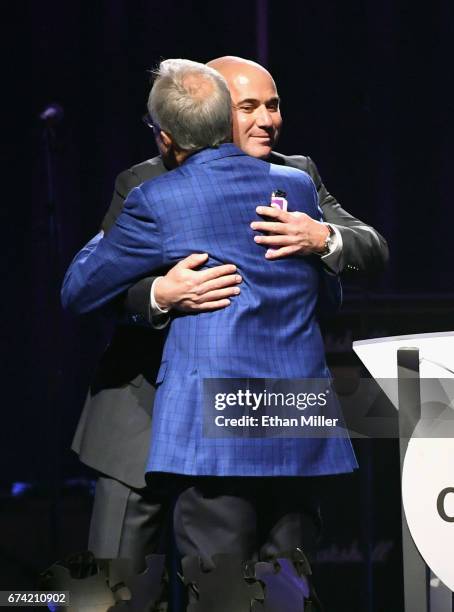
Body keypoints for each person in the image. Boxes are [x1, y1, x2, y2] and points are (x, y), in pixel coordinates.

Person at [71, 56, 388, 580]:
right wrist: (159, 294)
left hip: (266, 415)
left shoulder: (298, 177)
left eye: (274, 104)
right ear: (216, 113)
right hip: (145, 408)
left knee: (269, 577)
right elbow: (95, 287)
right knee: (120, 586)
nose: (267, 119)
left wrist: (322, 237)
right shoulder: (145, 184)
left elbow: (372, 245)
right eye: (249, 107)